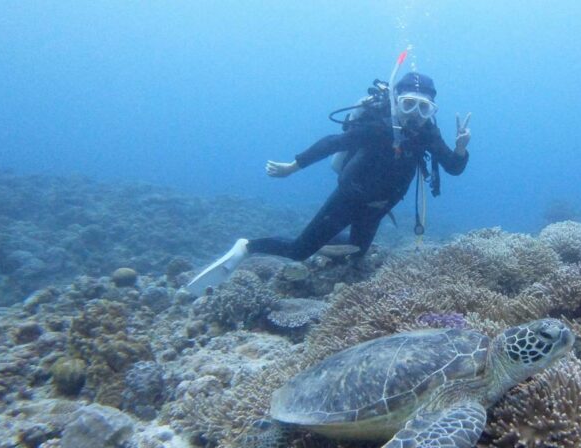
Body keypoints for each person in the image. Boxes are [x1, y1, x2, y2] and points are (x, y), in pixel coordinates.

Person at [187, 72, 471, 296]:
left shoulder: (428, 135)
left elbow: (453, 167)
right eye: (408, 104)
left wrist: (460, 149)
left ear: (431, 110)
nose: (415, 114)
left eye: (424, 107)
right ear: (396, 101)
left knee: (356, 253)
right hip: (350, 198)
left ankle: (321, 242)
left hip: (379, 207)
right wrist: (293, 166)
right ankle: (247, 246)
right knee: (299, 251)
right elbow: (333, 143)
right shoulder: (379, 128)